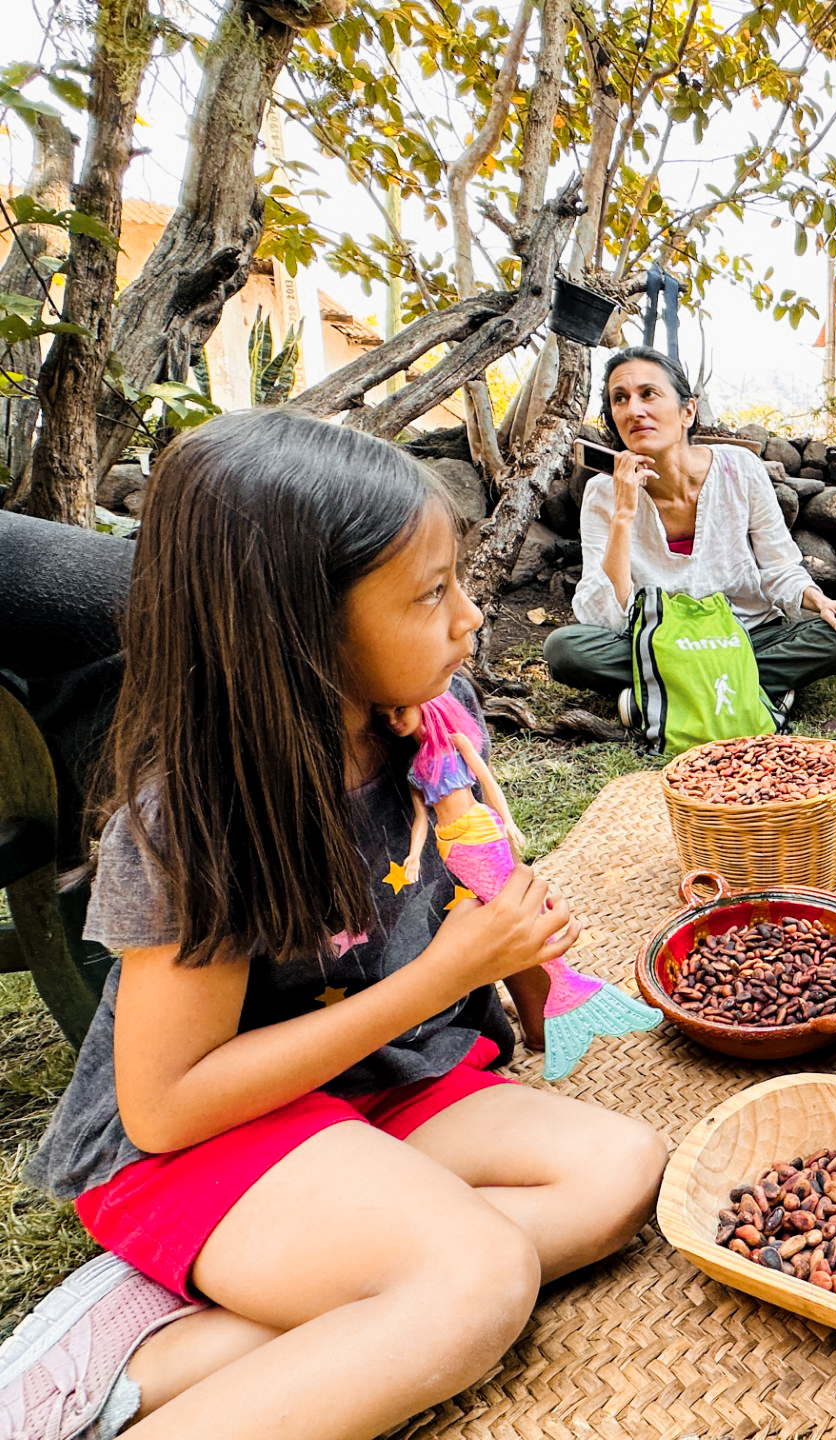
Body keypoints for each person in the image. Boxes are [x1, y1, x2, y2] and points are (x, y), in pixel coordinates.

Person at [0, 409, 668, 1440]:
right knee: (477, 1278)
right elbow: (167, 1108)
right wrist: (443, 976)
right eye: (431, 593)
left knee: (621, 1171)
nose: (471, 620)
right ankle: (173, 1344)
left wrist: (518, 942)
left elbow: (502, 944)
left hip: (372, 1085)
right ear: (303, 632)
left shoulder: (420, 727)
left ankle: (173, 1340)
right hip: (197, 1143)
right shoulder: (201, 816)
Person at [543, 347, 836, 720]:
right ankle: (748, 690)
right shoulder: (605, 492)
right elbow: (604, 614)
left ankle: (659, 697)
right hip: (661, 638)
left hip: (744, 633)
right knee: (564, 649)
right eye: (620, 399)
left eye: (648, 394)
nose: (633, 410)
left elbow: (779, 568)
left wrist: (822, 602)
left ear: (687, 411)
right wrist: (624, 514)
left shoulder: (740, 470)